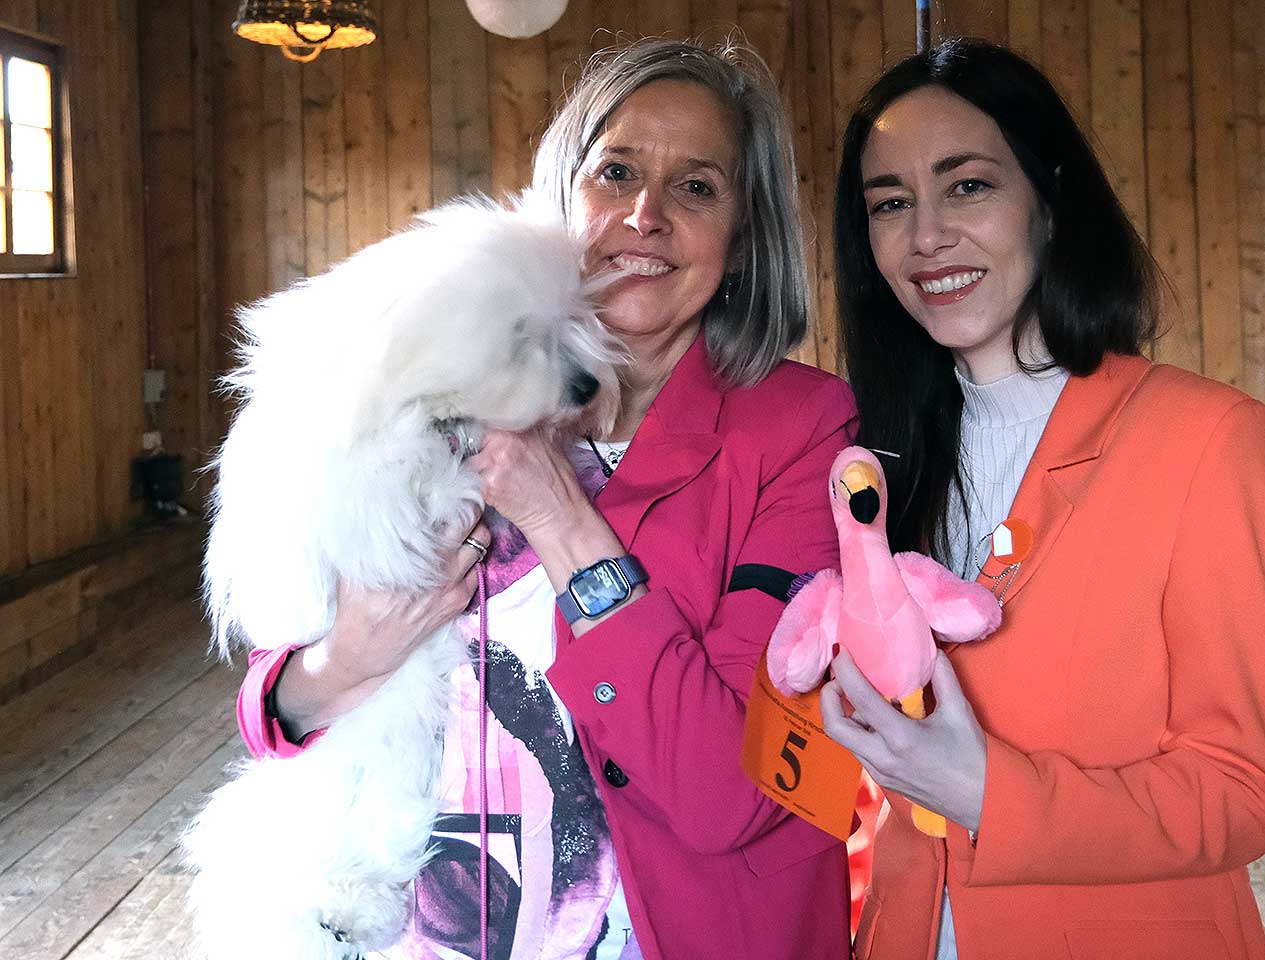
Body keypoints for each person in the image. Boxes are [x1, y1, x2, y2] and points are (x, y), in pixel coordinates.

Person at [235, 39, 855, 960]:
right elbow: (274, 697)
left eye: (696, 188)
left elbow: (735, 794)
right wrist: (341, 662)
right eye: (617, 172)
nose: (645, 215)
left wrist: (560, 516)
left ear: (743, 237)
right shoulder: (447, 380)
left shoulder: (802, 429)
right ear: (562, 195)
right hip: (419, 930)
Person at [821, 38, 1265, 960]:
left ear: (1049, 201)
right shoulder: (873, 460)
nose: (927, 236)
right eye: (890, 203)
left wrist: (989, 795)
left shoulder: (1209, 438)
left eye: (968, 186)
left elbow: (1243, 791)